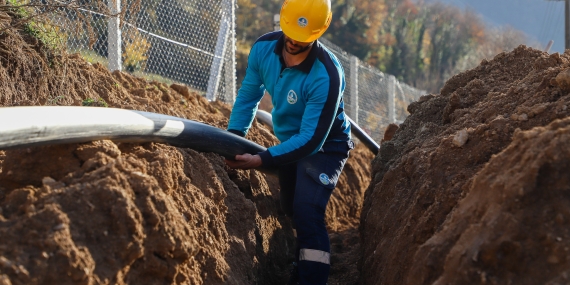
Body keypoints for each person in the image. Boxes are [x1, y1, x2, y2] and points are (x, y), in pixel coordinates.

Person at [224, 0, 352, 284]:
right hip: (291, 140)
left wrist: (261, 159)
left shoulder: (327, 74)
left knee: (308, 210)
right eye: (290, 32)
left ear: (319, 32)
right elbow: (248, 96)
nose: (293, 41)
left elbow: (311, 140)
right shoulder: (263, 49)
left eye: (303, 38)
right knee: (290, 207)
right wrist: (233, 139)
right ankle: (300, 262)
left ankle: (311, 279)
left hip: (325, 146)